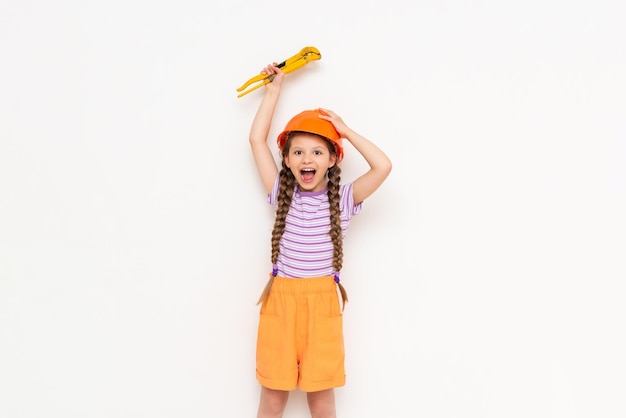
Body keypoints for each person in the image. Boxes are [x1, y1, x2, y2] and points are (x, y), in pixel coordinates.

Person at [249, 62, 392, 418]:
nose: (307, 158)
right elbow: (255, 140)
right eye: (298, 152)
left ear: (331, 159)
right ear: (286, 159)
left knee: (322, 398)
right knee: (272, 396)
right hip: (280, 301)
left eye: (317, 151)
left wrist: (344, 130)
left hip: (322, 302)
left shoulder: (343, 199)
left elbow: (383, 167)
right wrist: (273, 91)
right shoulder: (281, 191)